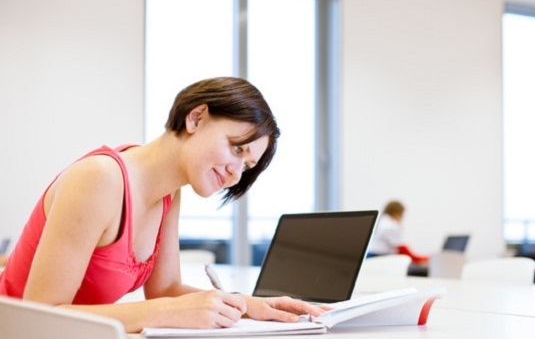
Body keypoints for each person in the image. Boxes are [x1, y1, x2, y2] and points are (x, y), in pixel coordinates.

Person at [0, 77, 326, 332]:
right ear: (196, 118)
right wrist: (169, 313)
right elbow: (40, 320)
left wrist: (244, 304)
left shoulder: (170, 193)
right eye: (237, 150)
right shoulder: (99, 178)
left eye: (247, 166)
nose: (236, 173)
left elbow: (164, 289)